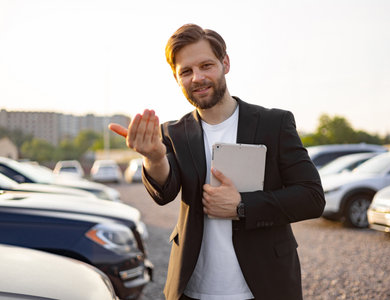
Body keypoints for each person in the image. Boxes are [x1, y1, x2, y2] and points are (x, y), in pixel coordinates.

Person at [109, 24, 325, 300]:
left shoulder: (275, 123)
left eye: (206, 65)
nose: (197, 77)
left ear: (225, 63)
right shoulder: (172, 133)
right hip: (193, 289)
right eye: (186, 71)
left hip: (265, 285)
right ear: (177, 78)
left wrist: (242, 206)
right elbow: (165, 191)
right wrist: (154, 157)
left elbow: (312, 197)